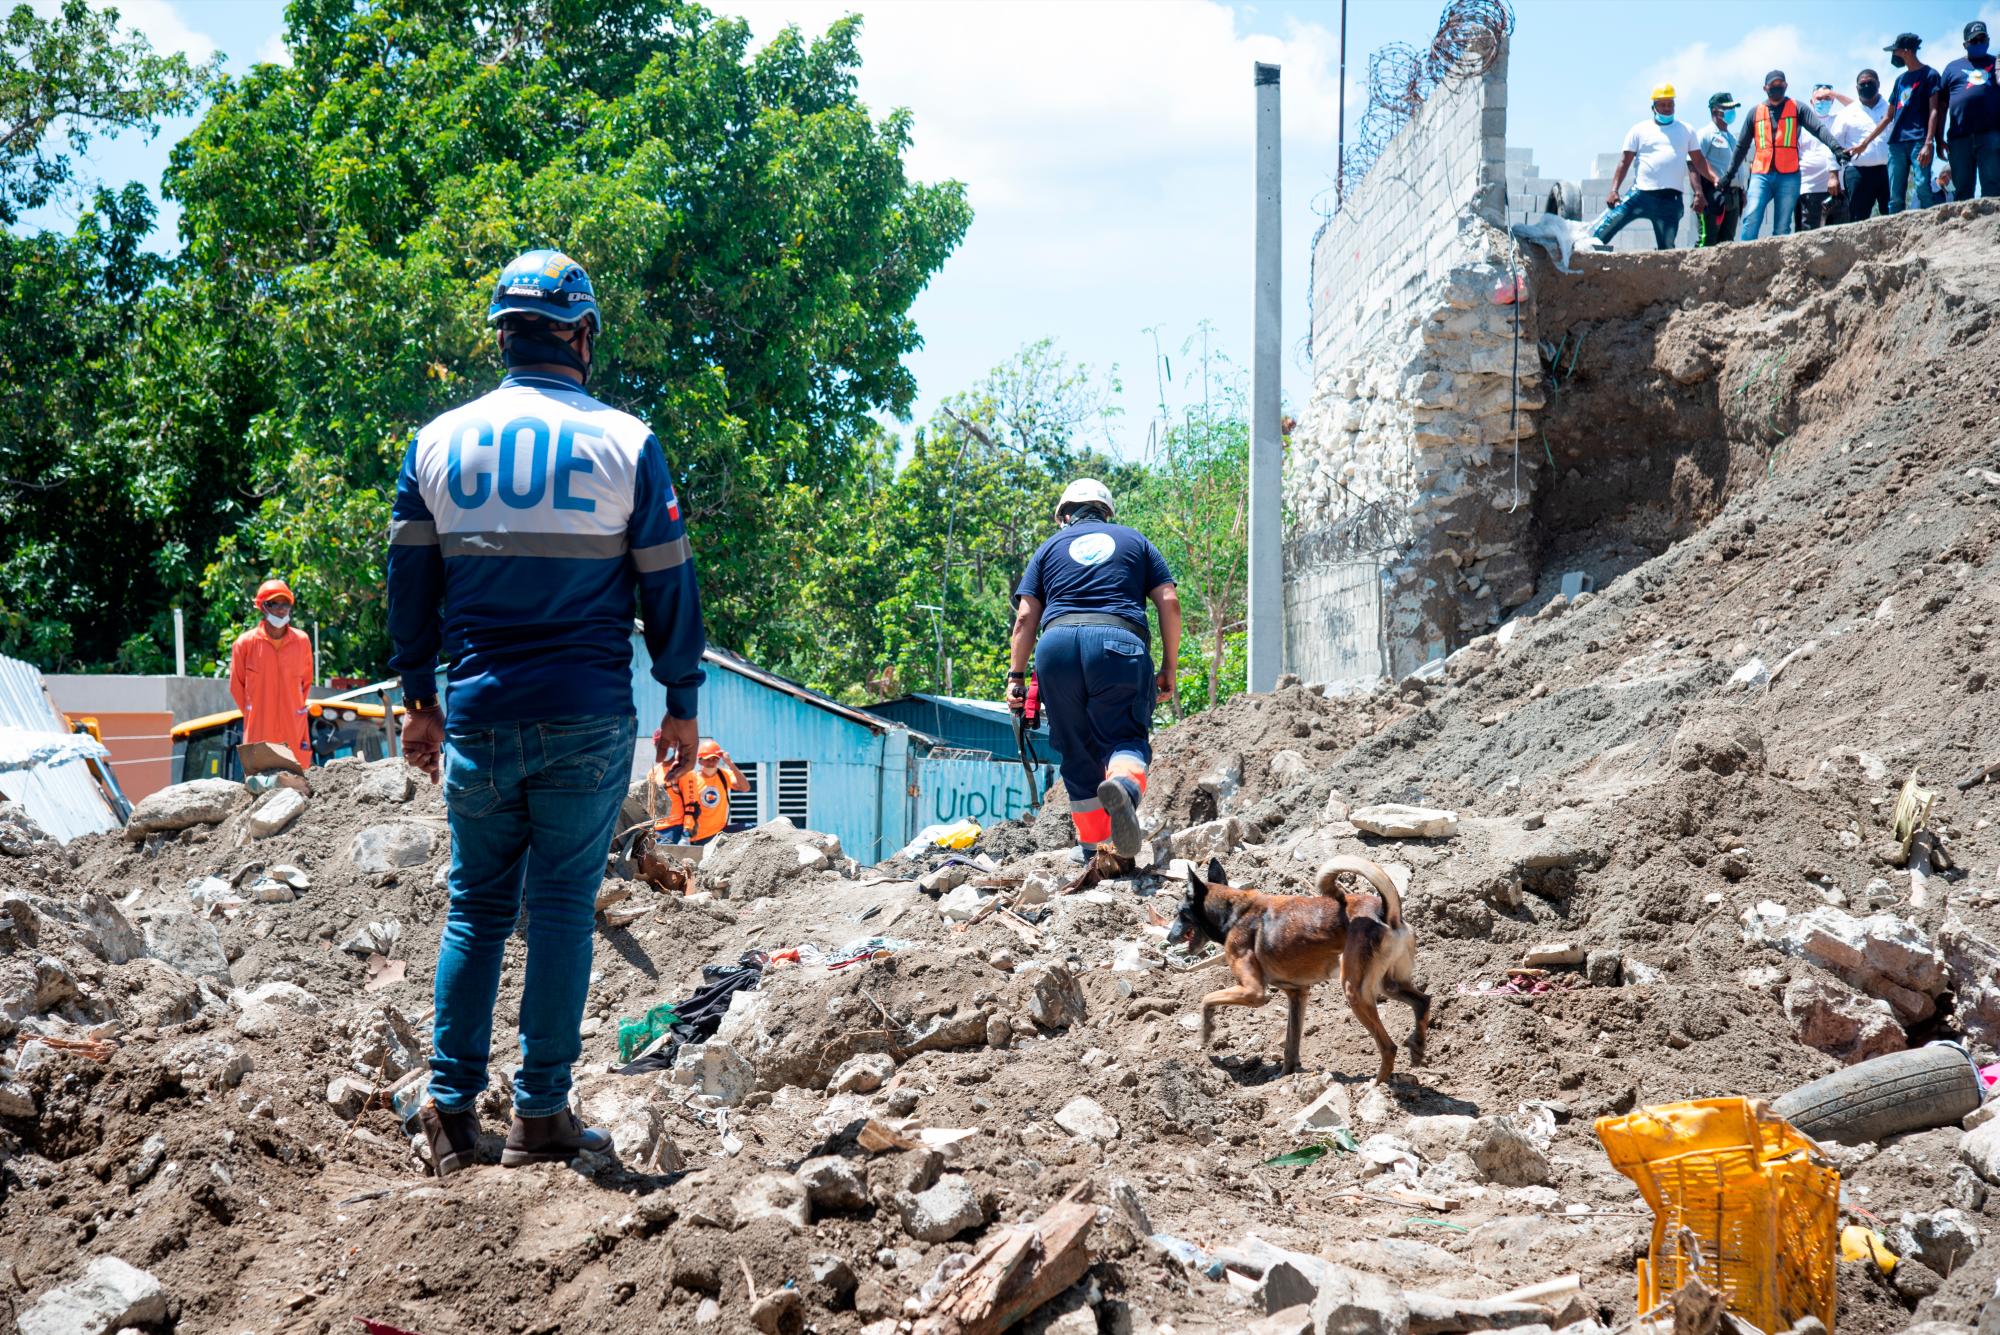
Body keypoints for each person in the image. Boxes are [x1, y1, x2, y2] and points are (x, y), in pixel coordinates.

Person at [387, 249, 705, 1176]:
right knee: (563, 906)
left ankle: (449, 1114)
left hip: (480, 709)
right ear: (581, 334)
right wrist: (681, 700)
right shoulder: (627, 442)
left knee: (475, 907)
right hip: (587, 713)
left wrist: (418, 699)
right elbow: (667, 584)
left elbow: (410, 585)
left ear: (504, 334)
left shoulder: (439, 441)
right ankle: (542, 1116)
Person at [1007, 479, 1181, 861]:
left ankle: (1096, 851)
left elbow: (1024, 618)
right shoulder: (1136, 541)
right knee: (1124, 737)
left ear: (1066, 515)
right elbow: (1169, 601)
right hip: (1118, 645)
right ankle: (1122, 786)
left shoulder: (1047, 549)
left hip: (1056, 650)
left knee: (1076, 750)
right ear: (1106, 512)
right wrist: (1169, 666)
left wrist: (1016, 677)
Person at [1722, 70, 1848, 239]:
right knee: (1751, 218)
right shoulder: (1755, 112)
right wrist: (1728, 175)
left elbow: (1818, 129)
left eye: (1780, 85)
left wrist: (1837, 149)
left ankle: (1778, 263)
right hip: (1761, 175)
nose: (1777, 89)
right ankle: (1745, 259)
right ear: (1765, 88)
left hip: (1789, 176)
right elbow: (1741, 147)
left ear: (1786, 86)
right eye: (1773, 86)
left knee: (1782, 226)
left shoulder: (1798, 108)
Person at [1590, 85, 1714, 251]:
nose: (1667, 108)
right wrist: (1614, 190)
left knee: (1667, 249)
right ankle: (1589, 255)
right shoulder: (1639, 130)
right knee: (1609, 225)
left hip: (1670, 200)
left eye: (1670, 104)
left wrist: (1715, 179)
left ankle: (1664, 275)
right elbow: (1624, 162)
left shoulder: (1686, 130)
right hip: (1641, 195)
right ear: (1653, 107)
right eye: (1662, 105)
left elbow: (1698, 161)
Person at [1849, 34, 1942, 212]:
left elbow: (1934, 110)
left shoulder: (1930, 75)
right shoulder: (1900, 81)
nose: (1894, 56)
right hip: (1896, 143)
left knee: (1923, 187)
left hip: (1919, 140)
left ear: (1905, 51)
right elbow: (1887, 117)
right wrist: (1864, 143)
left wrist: (1929, 142)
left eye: (1895, 51)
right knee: (1895, 196)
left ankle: (1932, 229)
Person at [228, 579, 315, 762]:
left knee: (296, 783)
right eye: (273, 604)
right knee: (261, 783)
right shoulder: (245, 644)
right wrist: (257, 713)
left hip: (293, 730)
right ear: (262, 607)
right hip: (259, 732)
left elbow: (305, 683)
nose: (281, 609)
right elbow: (237, 687)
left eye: (285, 604)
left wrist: (293, 707)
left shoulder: (302, 641)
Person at [1938, 20, 1999, 199]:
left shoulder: (1997, 63)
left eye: (1983, 39)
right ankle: (1963, 227)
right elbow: (1941, 105)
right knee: (1962, 189)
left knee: (1993, 185)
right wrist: (1938, 137)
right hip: (1959, 138)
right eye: (1974, 40)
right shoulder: (1952, 68)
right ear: (1965, 44)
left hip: (1991, 135)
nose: (1979, 43)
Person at [1828, 70, 1892, 221]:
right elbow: (1834, 145)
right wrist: (1833, 176)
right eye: (1863, 84)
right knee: (1858, 220)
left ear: (1878, 84)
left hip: (1888, 171)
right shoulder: (1847, 113)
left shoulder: (1891, 108)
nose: (1867, 86)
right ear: (1857, 88)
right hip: (1858, 173)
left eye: (1871, 82)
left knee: (1893, 216)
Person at [678, 739, 746, 845]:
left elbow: (745, 787)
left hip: (720, 832)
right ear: (700, 760)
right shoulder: (693, 780)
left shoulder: (725, 775)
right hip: (700, 837)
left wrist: (730, 763)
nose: (711, 762)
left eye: (715, 759)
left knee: (751, 828)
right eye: (707, 759)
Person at [1698, 92, 1744, 245]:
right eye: (1727, 108)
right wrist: (1698, 193)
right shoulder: (1705, 135)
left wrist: (1742, 191)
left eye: (1733, 108)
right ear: (1714, 111)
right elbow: (1694, 164)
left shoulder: (1732, 138)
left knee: (1727, 244)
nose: (1731, 112)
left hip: (1734, 197)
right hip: (1715, 195)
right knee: (1708, 241)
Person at [1797, 86, 1845, 228]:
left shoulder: (1839, 120)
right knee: (1807, 238)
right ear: (1811, 102)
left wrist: (1833, 93)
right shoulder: (1801, 125)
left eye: (1827, 99)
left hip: (1837, 189)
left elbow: (1859, 108)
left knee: (1839, 237)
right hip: (1809, 189)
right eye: (1819, 99)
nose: (1823, 102)